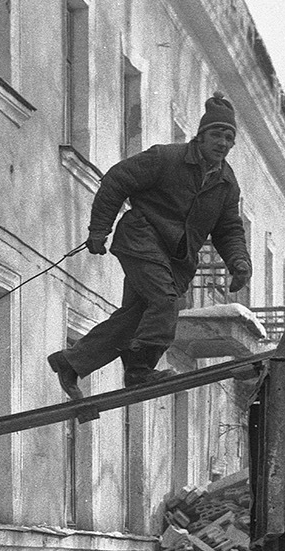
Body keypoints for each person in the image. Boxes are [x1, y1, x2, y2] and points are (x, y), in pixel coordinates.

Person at [48, 92, 253, 399]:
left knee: (134, 317)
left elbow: (229, 229)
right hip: (141, 240)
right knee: (166, 302)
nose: (222, 142)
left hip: (175, 260)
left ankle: (71, 362)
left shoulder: (226, 183)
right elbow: (117, 180)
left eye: (228, 137)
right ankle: (139, 371)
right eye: (216, 134)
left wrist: (239, 262)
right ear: (200, 136)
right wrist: (99, 230)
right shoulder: (166, 158)